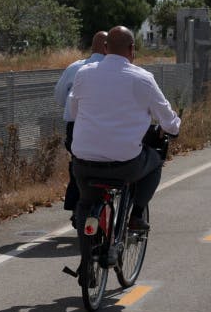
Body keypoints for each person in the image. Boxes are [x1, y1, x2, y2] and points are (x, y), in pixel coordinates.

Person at [68, 26, 181, 265]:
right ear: (132, 50)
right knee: (155, 160)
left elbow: (74, 112)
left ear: (106, 48)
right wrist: (173, 128)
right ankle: (136, 215)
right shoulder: (142, 78)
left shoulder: (83, 74)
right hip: (124, 164)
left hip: (83, 162)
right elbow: (168, 121)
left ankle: (87, 259)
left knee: (86, 202)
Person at [52, 30, 107, 224]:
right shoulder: (115, 70)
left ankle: (77, 205)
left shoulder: (75, 68)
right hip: (104, 128)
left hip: (75, 127)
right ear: (109, 48)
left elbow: (59, 97)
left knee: (79, 164)